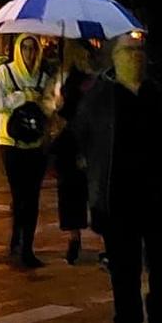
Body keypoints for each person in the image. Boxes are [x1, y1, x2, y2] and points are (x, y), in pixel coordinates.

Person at [75, 31, 162, 323]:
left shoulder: (159, 95)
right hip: (118, 202)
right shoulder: (99, 97)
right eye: (128, 51)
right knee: (125, 273)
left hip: (159, 201)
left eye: (139, 50)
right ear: (115, 57)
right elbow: (79, 140)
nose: (135, 56)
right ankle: (129, 319)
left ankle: (158, 309)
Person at [0, 34, 55, 267]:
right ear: (18, 50)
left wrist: (44, 102)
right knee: (19, 195)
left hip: (36, 144)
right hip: (11, 143)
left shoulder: (44, 77)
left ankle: (27, 246)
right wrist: (21, 97)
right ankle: (16, 238)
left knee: (33, 195)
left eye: (33, 49)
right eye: (25, 48)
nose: (29, 53)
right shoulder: (5, 73)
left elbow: (50, 107)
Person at [47, 38, 98, 265]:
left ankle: (77, 237)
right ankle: (77, 238)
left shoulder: (81, 81)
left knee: (77, 194)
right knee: (79, 193)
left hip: (79, 142)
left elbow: (71, 111)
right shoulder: (71, 78)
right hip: (76, 143)